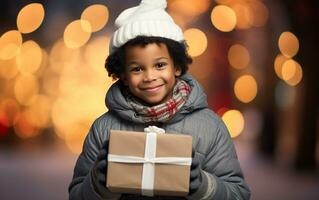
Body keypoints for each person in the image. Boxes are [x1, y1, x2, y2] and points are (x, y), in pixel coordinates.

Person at [68, 0, 251, 199]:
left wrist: (204, 186)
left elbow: (238, 194)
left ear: (177, 66)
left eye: (160, 65)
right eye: (137, 68)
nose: (150, 76)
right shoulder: (103, 129)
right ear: (123, 75)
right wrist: (97, 184)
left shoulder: (210, 127)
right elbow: (76, 195)